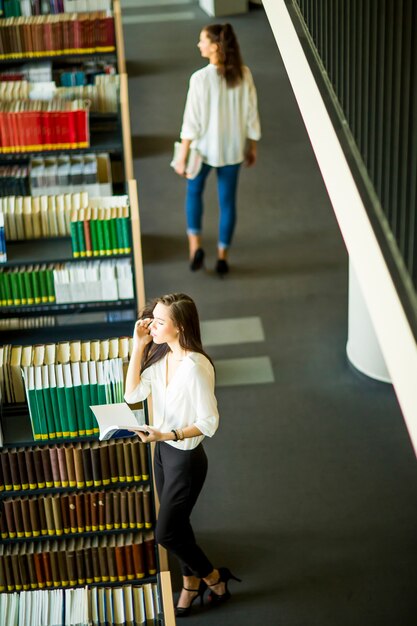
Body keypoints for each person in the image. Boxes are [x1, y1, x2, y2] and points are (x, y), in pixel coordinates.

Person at [124, 293, 241, 616]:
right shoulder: (160, 358)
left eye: (160, 322)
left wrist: (167, 434)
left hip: (185, 460)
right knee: (179, 525)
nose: (153, 326)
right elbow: (132, 393)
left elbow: (209, 423)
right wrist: (139, 347)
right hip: (162, 452)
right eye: (153, 319)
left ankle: (215, 578)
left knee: (166, 532)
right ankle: (191, 583)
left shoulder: (195, 367)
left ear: (179, 327)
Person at [174, 23, 261, 276]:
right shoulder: (244, 74)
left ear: (215, 46)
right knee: (228, 203)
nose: (198, 45)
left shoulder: (200, 78)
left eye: (202, 41)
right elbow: (251, 114)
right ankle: (222, 257)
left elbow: (192, 122)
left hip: (203, 152)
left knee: (194, 193)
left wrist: (182, 157)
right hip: (233, 150)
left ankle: (195, 249)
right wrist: (252, 146)